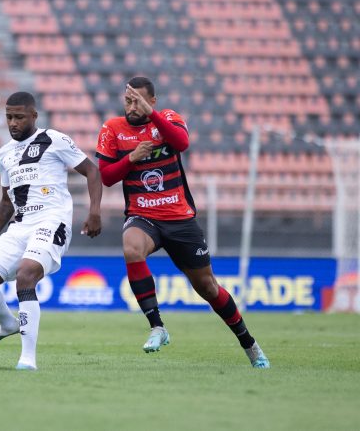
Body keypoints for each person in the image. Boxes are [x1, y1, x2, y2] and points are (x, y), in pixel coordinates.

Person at [95, 76, 269, 368]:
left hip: (179, 218)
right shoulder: (112, 129)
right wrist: (132, 159)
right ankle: (157, 327)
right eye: (127, 100)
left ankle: (250, 345)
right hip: (143, 215)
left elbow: (182, 143)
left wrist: (153, 117)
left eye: (138, 100)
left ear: (152, 101)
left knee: (208, 288)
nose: (132, 106)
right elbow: (107, 177)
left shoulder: (168, 119)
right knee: (131, 248)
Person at [0, 91, 103, 370]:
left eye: (19, 117)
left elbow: (92, 171)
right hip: (19, 226)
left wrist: (94, 211)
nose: (13, 123)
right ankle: (7, 324)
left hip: (51, 220)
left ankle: (27, 359)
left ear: (33, 116)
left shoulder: (54, 140)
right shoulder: (5, 153)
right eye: (9, 117)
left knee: (26, 274)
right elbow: (6, 202)